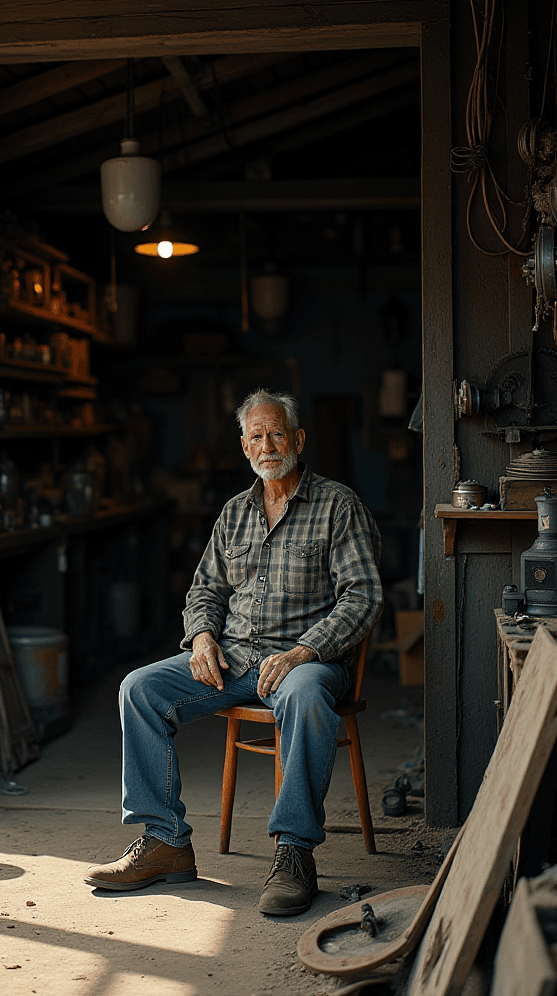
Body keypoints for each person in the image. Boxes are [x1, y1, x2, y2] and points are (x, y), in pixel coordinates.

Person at [84, 389, 383, 915]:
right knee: (140, 689)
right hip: (235, 662)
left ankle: (294, 853)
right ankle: (165, 843)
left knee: (308, 695)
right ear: (245, 447)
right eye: (256, 436)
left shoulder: (338, 505)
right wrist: (201, 637)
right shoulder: (235, 513)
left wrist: (303, 652)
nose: (268, 445)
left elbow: (363, 596)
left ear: (298, 439)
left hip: (304, 664)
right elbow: (204, 591)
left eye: (276, 433)